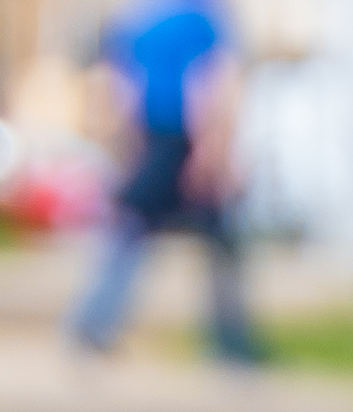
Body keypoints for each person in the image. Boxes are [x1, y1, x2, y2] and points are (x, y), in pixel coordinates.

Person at [70, 0, 263, 366]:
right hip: (188, 140)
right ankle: (231, 342)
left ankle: (92, 322)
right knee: (216, 243)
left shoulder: (137, 19)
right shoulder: (204, 18)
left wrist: (127, 147)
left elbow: (120, 87)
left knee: (134, 230)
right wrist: (212, 148)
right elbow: (210, 83)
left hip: (151, 139)